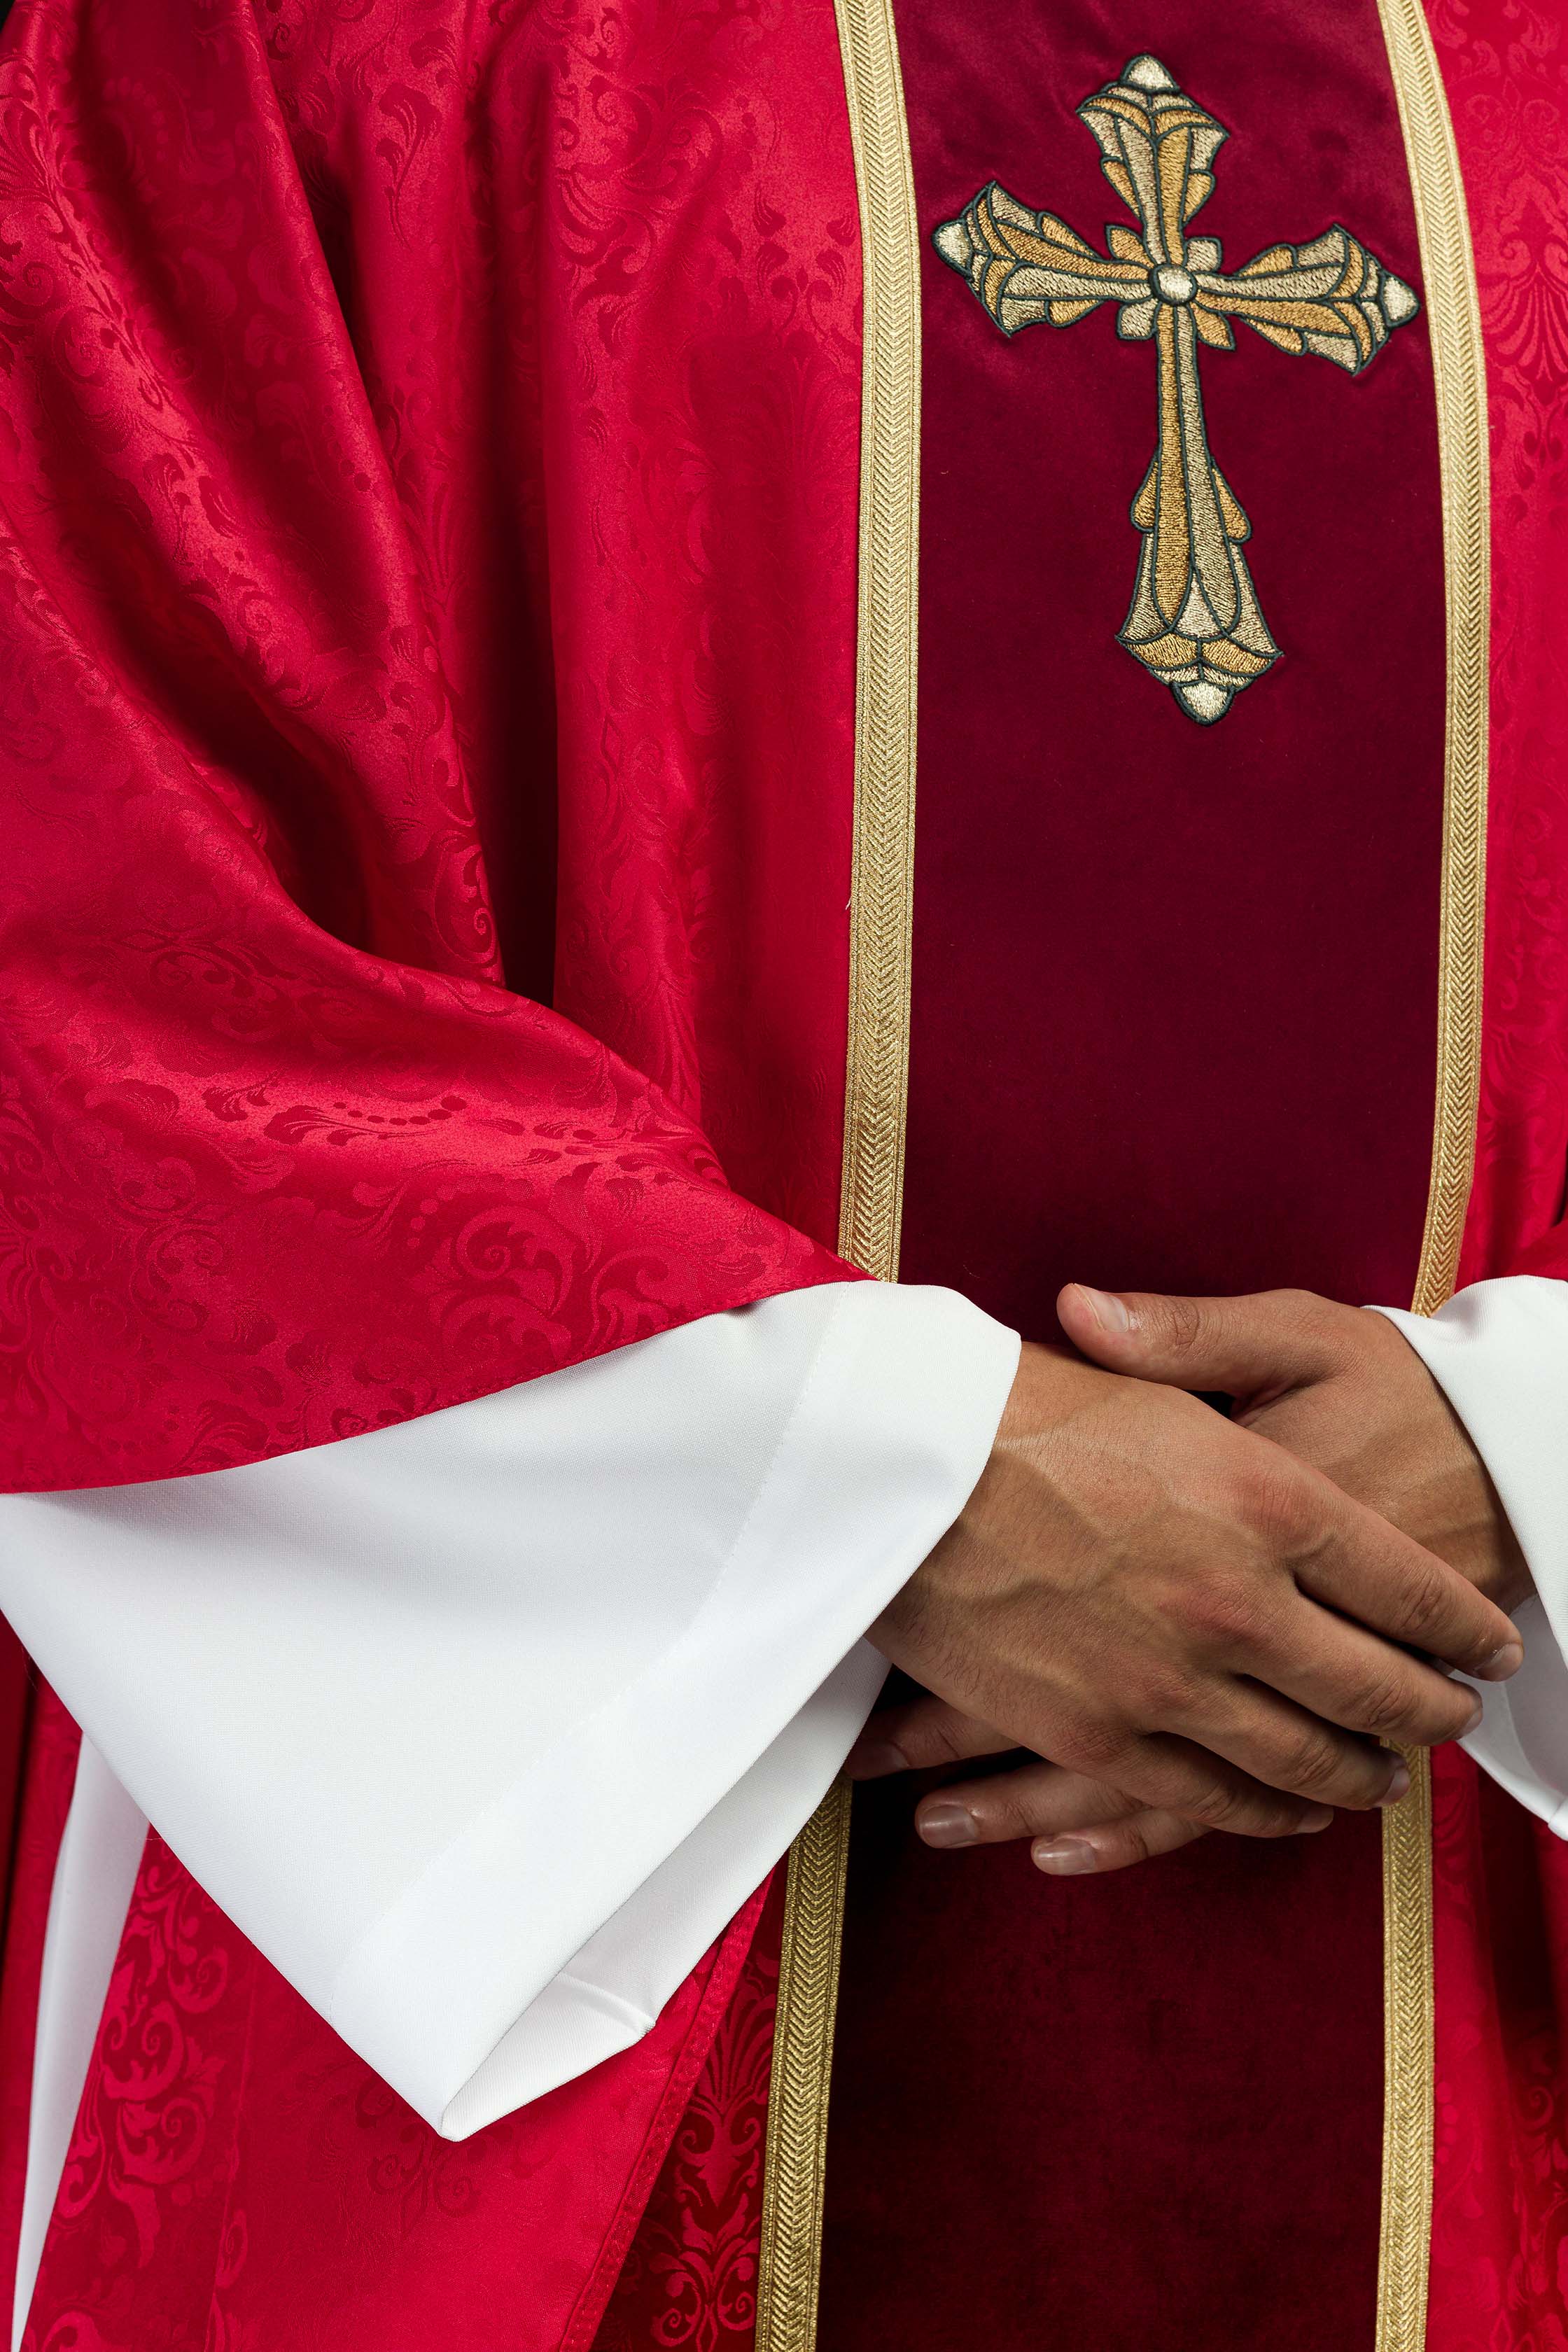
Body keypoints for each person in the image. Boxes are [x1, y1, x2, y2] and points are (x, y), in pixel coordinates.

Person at [0, 0, 1562, 2348]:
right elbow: (95, 904)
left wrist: (1523, 1450)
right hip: (558, 1983)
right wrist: (890, 1487)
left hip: (1475, 1870)